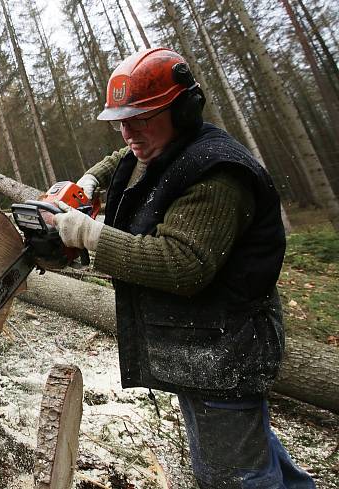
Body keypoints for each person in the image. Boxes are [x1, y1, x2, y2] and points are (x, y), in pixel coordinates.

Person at [44, 48, 316, 488]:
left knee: (235, 476)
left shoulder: (217, 175)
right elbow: (123, 158)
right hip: (199, 343)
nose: (128, 132)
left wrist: (89, 236)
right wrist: (90, 181)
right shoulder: (161, 145)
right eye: (121, 121)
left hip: (224, 353)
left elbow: (181, 265)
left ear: (184, 109)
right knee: (250, 451)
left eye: (141, 119)